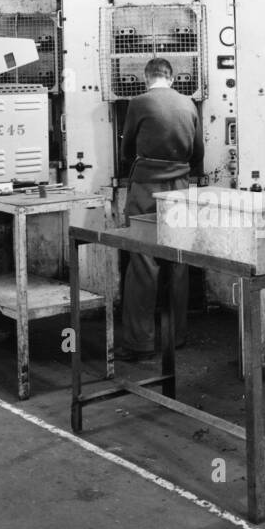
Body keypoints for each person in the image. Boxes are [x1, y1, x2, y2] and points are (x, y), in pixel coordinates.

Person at [115, 57, 204, 361]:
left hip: (145, 190)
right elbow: (197, 153)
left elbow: (126, 151)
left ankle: (140, 343)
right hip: (179, 189)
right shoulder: (189, 105)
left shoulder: (139, 102)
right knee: (178, 261)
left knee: (143, 263)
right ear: (172, 78)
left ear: (146, 77)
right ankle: (176, 336)